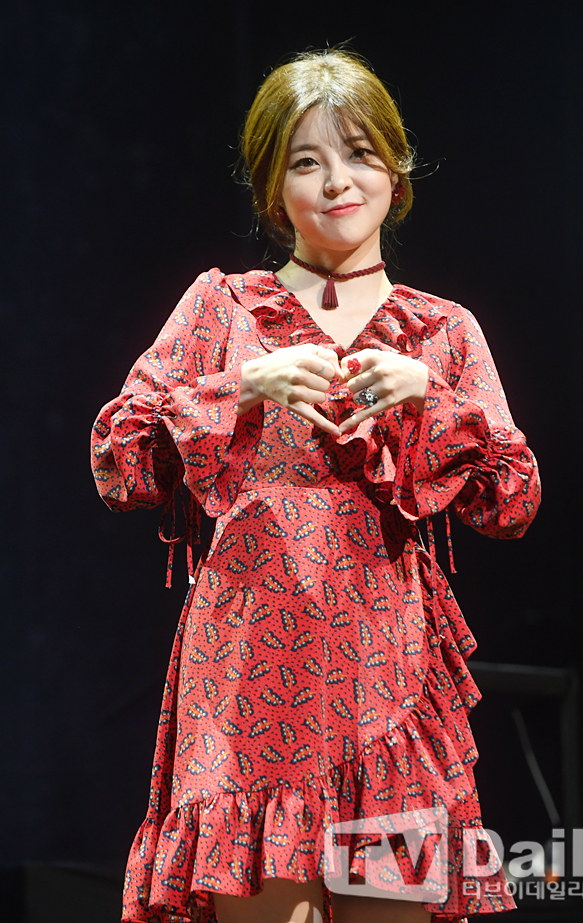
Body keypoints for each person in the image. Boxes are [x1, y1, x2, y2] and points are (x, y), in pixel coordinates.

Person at [91, 48, 540, 923]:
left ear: (396, 173)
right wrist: (240, 385)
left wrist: (433, 398)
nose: (338, 181)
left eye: (360, 153)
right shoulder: (221, 309)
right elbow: (118, 463)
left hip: (387, 682)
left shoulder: (441, 332)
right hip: (247, 679)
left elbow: (514, 501)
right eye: (307, 161)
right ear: (272, 190)